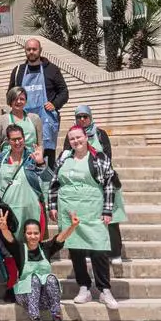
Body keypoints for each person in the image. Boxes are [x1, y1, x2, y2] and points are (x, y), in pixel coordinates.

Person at [48, 125, 119, 310]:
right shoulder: (64, 157)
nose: (76, 141)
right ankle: (84, 287)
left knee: (99, 248)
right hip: (69, 209)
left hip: (92, 209)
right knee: (75, 249)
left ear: (86, 137)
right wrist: (53, 206)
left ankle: (104, 290)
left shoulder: (99, 158)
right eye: (72, 139)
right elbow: (54, 182)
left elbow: (109, 184)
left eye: (78, 137)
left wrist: (107, 210)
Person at [64, 105, 126, 264]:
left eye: (85, 116)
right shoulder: (71, 135)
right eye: (79, 117)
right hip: (83, 183)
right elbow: (67, 158)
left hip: (103, 181)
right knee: (85, 218)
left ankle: (115, 252)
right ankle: (86, 250)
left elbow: (108, 157)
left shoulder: (100, 134)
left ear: (90, 117)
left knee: (110, 219)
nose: (82, 119)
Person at [0, 210, 79, 321]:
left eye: (36, 233)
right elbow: (10, 239)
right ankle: (35, 319)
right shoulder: (19, 249)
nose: (33, 236)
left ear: (40, 234)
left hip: (43, 299)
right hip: (25, 296)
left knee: (51, 278)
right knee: (34, 278)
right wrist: (4, 228)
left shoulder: (45, 248)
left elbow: (60, 238)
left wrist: (72, 226)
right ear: (25, 234)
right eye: (29, 233)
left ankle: (56, 316)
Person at [9, 38, 69, 168]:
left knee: (47, 155)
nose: (31, 52)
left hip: (46, 119)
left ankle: (48, 179)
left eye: (34, 49)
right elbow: (11, 93)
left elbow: (64, 92)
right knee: (22, 150)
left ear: (40, 50)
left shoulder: (52, 69)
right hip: (23, 118)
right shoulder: (18, 71)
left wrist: (55, 104)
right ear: (25, 51)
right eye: (28, 49)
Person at [0, 125, 46, 242]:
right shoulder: (0, 159)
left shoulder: (33, 156)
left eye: (19, 138)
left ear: (24, 138)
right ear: (8, 141)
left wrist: (41, 163)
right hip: (8, 210)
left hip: (31, 209)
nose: (17, 142)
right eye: (13, 139)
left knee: (31, 245)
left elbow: (47, 179)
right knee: (10, 246)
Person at [0, 86, 46, 156]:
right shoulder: (1, 120)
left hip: (31, 158)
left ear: (26, 101)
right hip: (7, 159)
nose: (18, 101)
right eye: (15, 99)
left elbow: (40, 144)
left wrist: (38, 157)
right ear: (10, 101)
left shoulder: (35, 118)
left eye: (22, 99)